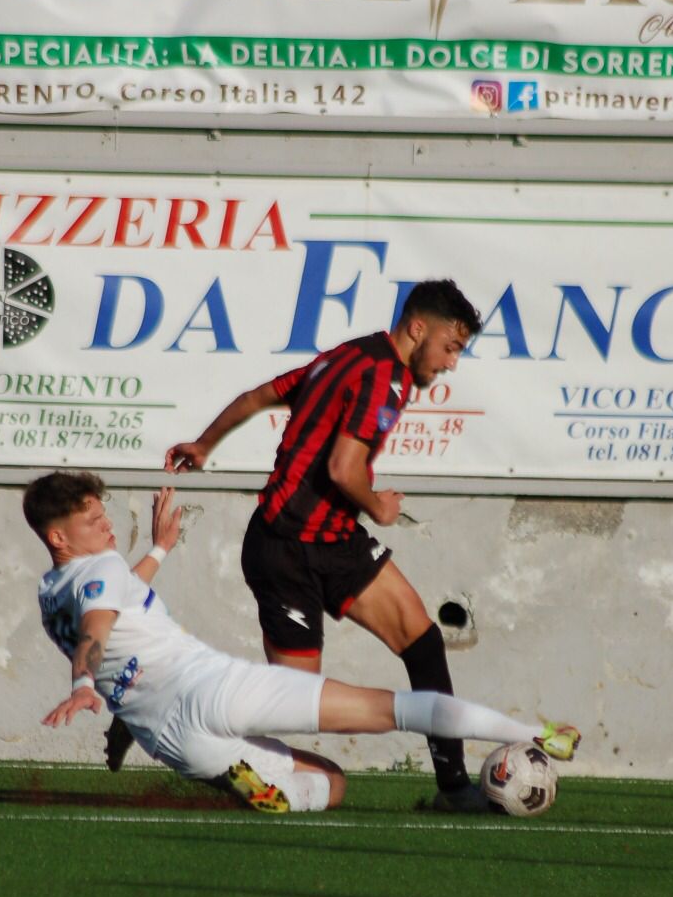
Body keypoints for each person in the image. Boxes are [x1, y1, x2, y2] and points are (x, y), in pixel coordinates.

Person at [25, 471, 580, 813]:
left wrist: (161, 549)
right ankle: (536, 733)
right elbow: (98, 631)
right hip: (217, 690)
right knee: (393, 709)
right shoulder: (98, 570)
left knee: (331, 785)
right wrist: (80, 684)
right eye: (94, 520)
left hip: (178, 744)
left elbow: (116, 607)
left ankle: (277, 793)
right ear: (58, 536)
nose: (107, 528)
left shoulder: (55, 595)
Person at [160, 279, 499, 811]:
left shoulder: (345, 355)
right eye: (451, 348)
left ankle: (454, 787)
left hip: (335, 543)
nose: (452, 363)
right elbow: (344, 470)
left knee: (422, 640)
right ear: (417, 329)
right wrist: (378, 505)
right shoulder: (384, 377)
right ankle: (188, 728)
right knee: (288, 707)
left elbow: (256, 398)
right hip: (284, 550)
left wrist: (205, 442)